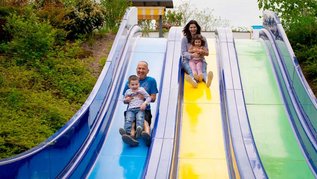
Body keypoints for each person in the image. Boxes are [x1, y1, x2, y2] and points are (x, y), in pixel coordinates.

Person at [120, 61, 158, 146]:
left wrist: (144, 100)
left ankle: (147, 135)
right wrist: (127, 100)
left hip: (144, 109)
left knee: (144, 121)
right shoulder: (129, 82)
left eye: (143, 69)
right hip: (131, 109)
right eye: (139, 68)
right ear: (136, 69)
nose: (140, 70)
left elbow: (153, 98)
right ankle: (132, 137)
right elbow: (124, 99)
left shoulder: (151, 81)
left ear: (148, 70)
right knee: (131, 121)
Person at [181, 20, 213, 88]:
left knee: (202, 71)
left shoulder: (203, 38)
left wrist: (202, 52)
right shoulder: (185, 39)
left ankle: (207, 80)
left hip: (200, 59)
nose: (193, 29)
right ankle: (193, 81)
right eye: (191, 27)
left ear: (197, 28)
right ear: (188, 28)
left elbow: (207, 53)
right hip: (188, 60)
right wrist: (192, 55)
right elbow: (183, 52)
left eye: (194, 27)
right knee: (192, 70)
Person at [120, 75, 152, 142]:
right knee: (128, 119)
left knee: (140, 119)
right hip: (130, 109)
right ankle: (127, 132)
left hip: (139, 109)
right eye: (132, 85)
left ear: (139, 84)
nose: (134, 86)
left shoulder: (141, 90)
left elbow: (149, 98)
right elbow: (123, 100)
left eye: (136, 84)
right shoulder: (128, 91)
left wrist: (144, 103)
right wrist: (126, 100)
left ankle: (138, 131)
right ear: (129, 85)